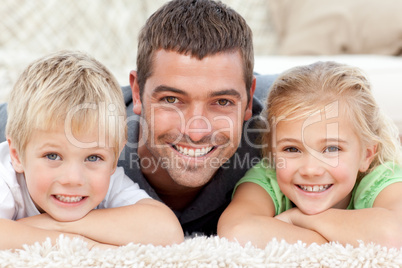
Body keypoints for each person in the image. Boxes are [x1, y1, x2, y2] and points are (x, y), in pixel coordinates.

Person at [0, 0, 271, 236]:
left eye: (222, 102)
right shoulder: (57, 121)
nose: (197, 131)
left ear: (248, 98)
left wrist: (40, 228)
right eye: (172, 100)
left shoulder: (290, 128)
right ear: (138, 92)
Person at [0, 50, 184, 250]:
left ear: (114, 159)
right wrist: (80, 244)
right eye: (53, 156)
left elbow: (167, 231)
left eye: (93, 157)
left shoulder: (106, 179)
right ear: (17, 156)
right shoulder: (6, 179)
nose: (73, 178)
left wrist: (50, 225)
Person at [218, 61, 402, 248]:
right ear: (272, 154)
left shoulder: (382, 176)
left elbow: (394, 233)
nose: (310, 170)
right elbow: (236, 231)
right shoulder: (268, 177)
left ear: (366, 156)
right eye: (292, 149)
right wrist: (340, 240)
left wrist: (296, 218)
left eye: (332, 149)